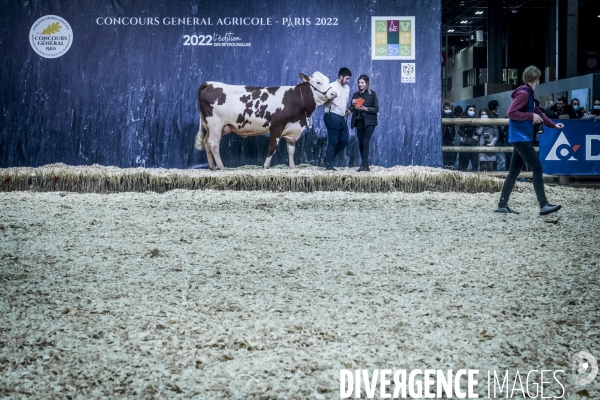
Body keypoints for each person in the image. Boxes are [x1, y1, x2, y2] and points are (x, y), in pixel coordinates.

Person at [495, 65, 564, 216]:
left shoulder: (528, 94)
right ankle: (543, 204)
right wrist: (531, 117)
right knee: (537, 168)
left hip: (520, 137)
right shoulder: (525, 94)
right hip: (521, 138)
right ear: (537, 79)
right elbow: (511, 113)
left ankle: (502, 205)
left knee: (513, 172)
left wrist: (553, 125)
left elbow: (539, 112)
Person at [323, 67, 352, 171]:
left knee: (345, 140)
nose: (348, 81)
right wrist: (329, 98)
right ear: (341, 76)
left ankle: (327, 159)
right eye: (347, 78)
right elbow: (322, 101)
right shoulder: (331, 86)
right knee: (333, 141)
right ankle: (329, 166)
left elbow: (344, 102)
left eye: (349, 79)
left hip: (342, 117)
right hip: (332, 115)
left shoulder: (347, 88)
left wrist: (347, 110)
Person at [349, 75, 379, 172]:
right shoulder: (355, 95)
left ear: (366, 83)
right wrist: (350, 108)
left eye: (362, 82)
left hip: (370, 122)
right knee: (361, 143)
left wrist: (365, 109)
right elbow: (352, 108)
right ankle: (365, 164)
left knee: (365, 142)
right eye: (359, 82)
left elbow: (376, 109)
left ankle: (364, 164)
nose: (360, 84)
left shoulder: (372, 94)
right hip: (359, 121)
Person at [488, 99, 510, 171]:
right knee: (501, 160)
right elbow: (498, 130)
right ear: (496, 107)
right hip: (497, 142)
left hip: (493, 141)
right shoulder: (494, 117)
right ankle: (499, 178)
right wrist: (503, 133)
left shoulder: (490, 116)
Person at [458, 104, 479, 171]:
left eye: (473, 110)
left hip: (474, 143)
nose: (472, 112)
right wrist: (465, 136)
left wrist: (477, 136)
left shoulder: (476, 120)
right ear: (467, 110)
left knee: (475, 164)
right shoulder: (462, 119)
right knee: (463, 165)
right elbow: (460, 131)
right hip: (464, 143)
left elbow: (478, 131)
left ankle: (474, 180)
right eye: (470, 110)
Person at [441, 102, 457, 169]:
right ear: (443, 109)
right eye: (446, 109)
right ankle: (445, 164)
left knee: (451, 152)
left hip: (451, 137)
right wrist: (444, 113)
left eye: (449, 109)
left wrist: (451, 113)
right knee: (445, 153)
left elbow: (455, 120)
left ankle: (451, 164)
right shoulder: (442, 115)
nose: (448, 110)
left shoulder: (452, 115)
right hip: (443, 137)